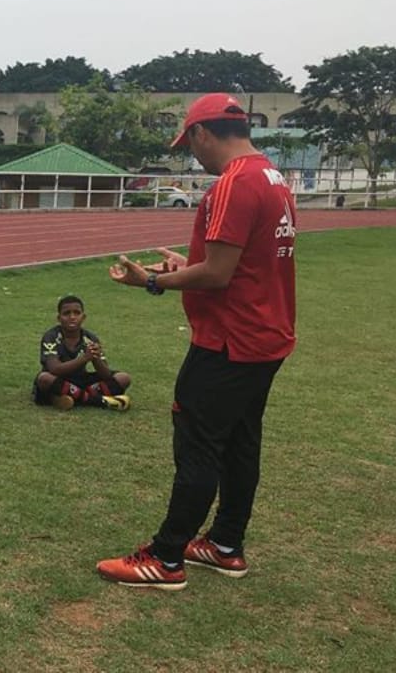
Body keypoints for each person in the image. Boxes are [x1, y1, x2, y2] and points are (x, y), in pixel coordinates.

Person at [96, 93, 298, 591]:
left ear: (202, 133)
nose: (193, 155)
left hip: (227, 342)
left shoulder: (233, 183)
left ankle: (166, 558)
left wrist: (151, 281)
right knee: (240, 443)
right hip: (264, 338)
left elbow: (219, 275)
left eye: (189, 144)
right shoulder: (272, 178)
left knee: (199, 446)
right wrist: (187, 267)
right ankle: (225, 544)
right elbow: (242, 266)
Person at [32, 295, 132, 411]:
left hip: (81, 381)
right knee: (44, 378)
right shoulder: (51, 336)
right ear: (59, 318)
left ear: (83, 317)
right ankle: (99, 401)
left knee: (123, 378)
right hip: (59, 380)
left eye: (77, 313)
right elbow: (54, 369)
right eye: (66, 313)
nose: (72, 317)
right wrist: (84, 358)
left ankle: (68, 398)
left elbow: (106, 375)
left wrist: (95, 358)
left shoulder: (90, 338)